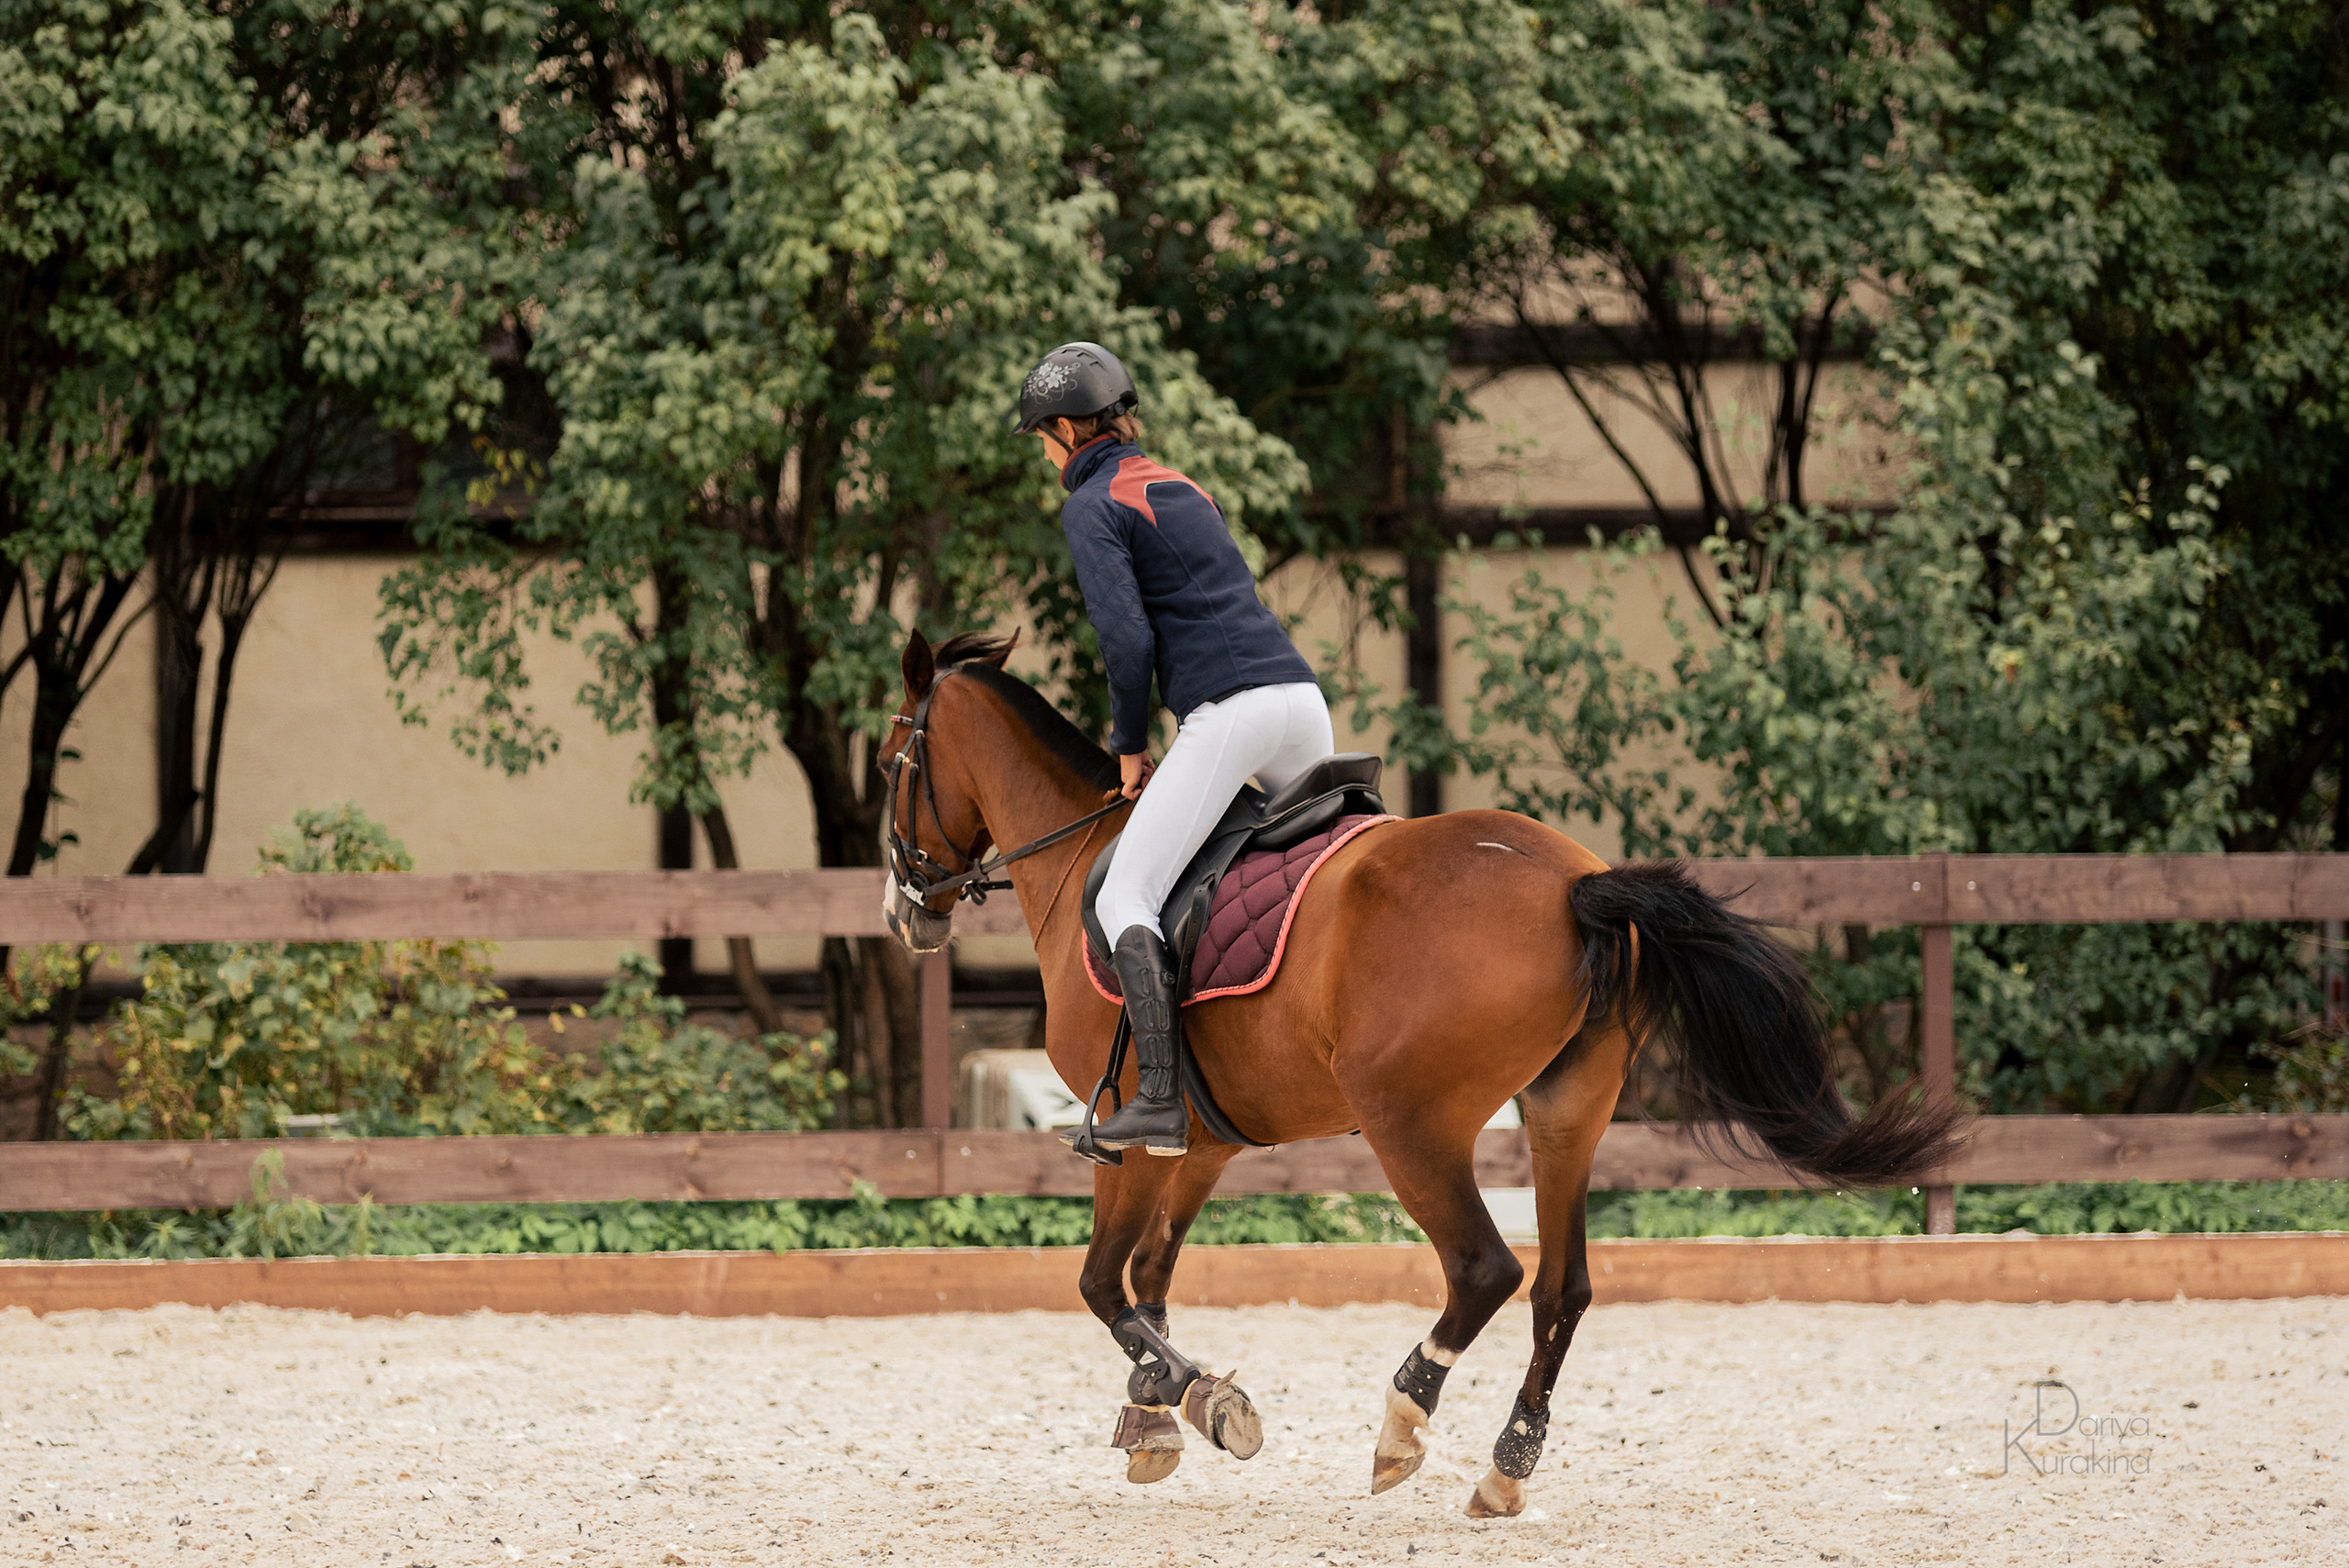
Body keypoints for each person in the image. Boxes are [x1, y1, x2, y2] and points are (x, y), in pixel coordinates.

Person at [1011, 342, 1332, 1156]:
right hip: (1301, 703)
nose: (1045, 453)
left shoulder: (1090, 504)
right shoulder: (1180, 485)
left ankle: (1158, 1097)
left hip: (1231, 716)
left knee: (1125, 894)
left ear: (1066, 428)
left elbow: (1125, 641)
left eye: (1043, 437)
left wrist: (1127, 747)